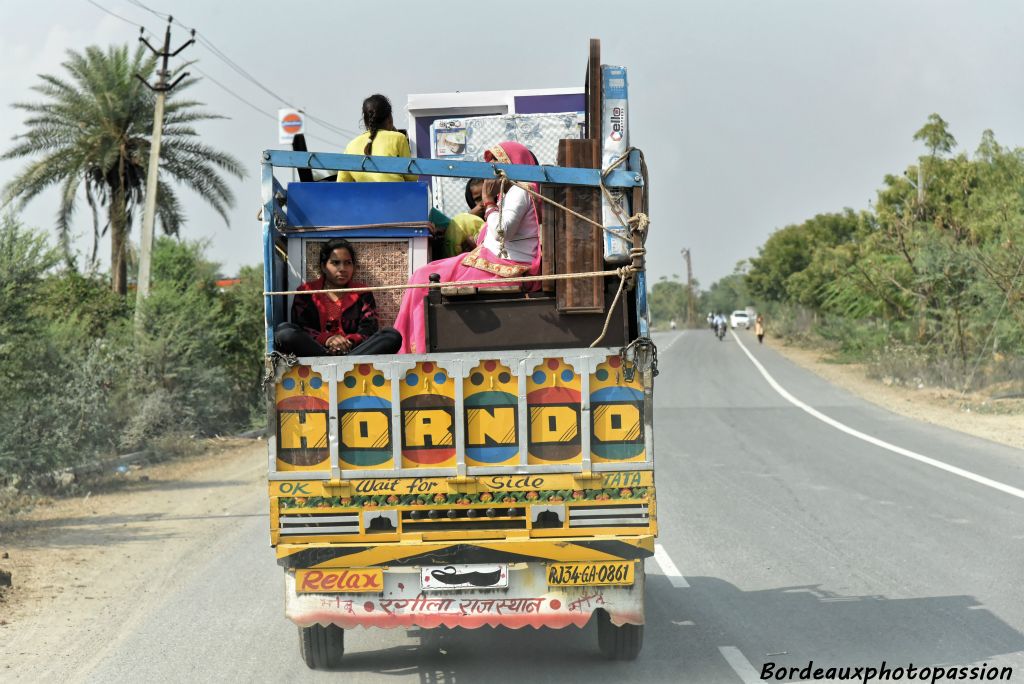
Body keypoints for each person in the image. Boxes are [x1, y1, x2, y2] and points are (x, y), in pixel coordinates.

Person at [393, 141, 543, 354]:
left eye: (497, 167)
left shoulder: (520, 190)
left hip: (505, 267)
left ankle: (411, 349)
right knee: (422, 275)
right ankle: (407, 344)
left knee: (422, 278)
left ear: (512, 165)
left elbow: (502, 231)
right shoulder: (513, 192)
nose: (493, 174)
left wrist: (489, 202)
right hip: (494, 260)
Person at [274, 238, 402, 356]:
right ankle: (332, 361)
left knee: (391, 336)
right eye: (335, 263)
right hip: (318, 352)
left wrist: (347, 342)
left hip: (354, 352)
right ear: (323, 266)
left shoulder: (363, 293)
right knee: (284, 332)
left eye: (347, 263)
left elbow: (369, 331)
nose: (342, 269)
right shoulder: (306, 292)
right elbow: (302, 327)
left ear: (354, 267)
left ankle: (346, 363)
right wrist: (328, 340)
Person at [336, 94, 418, 183]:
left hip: (364, 196)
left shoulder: (351, 145)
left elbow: (342, 182)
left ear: (365, 120)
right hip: (396, 195)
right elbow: (412, 177)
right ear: (389, 118)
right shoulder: (399, 138)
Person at [429, 178, 485, 257]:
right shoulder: (466, 223)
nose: (484, 202)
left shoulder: (501, 215)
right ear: (470, 201)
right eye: (478, 199)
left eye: (487, 195)